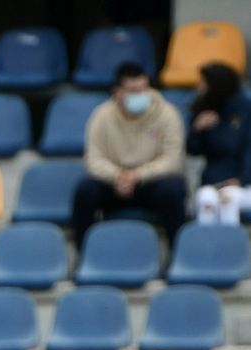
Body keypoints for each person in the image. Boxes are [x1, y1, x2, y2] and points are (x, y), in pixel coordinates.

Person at [73, 61, 186, 244]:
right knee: (85, 190)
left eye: (144, 89)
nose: (141, 95)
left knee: (172, 189)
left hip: (151, 183)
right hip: (114, 184)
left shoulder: (168, 114)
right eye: (133, 91)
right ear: (117, 93)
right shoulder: (101, 116)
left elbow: (172, 159)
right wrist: (117, 175)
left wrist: (137, 175)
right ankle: (83, 253)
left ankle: (179, 251)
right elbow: (93, 159)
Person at [187, 61, 251, 226]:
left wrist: (241, 180)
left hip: (245, 183)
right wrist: (197, 129)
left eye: (203, 82)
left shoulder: (246, 109)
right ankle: (204, 251)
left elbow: (248, 152)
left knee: (228, 199)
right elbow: (192, 150)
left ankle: (232, 251)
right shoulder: (202, 108)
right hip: (214, 182)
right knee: (205, 200)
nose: (198, 86)